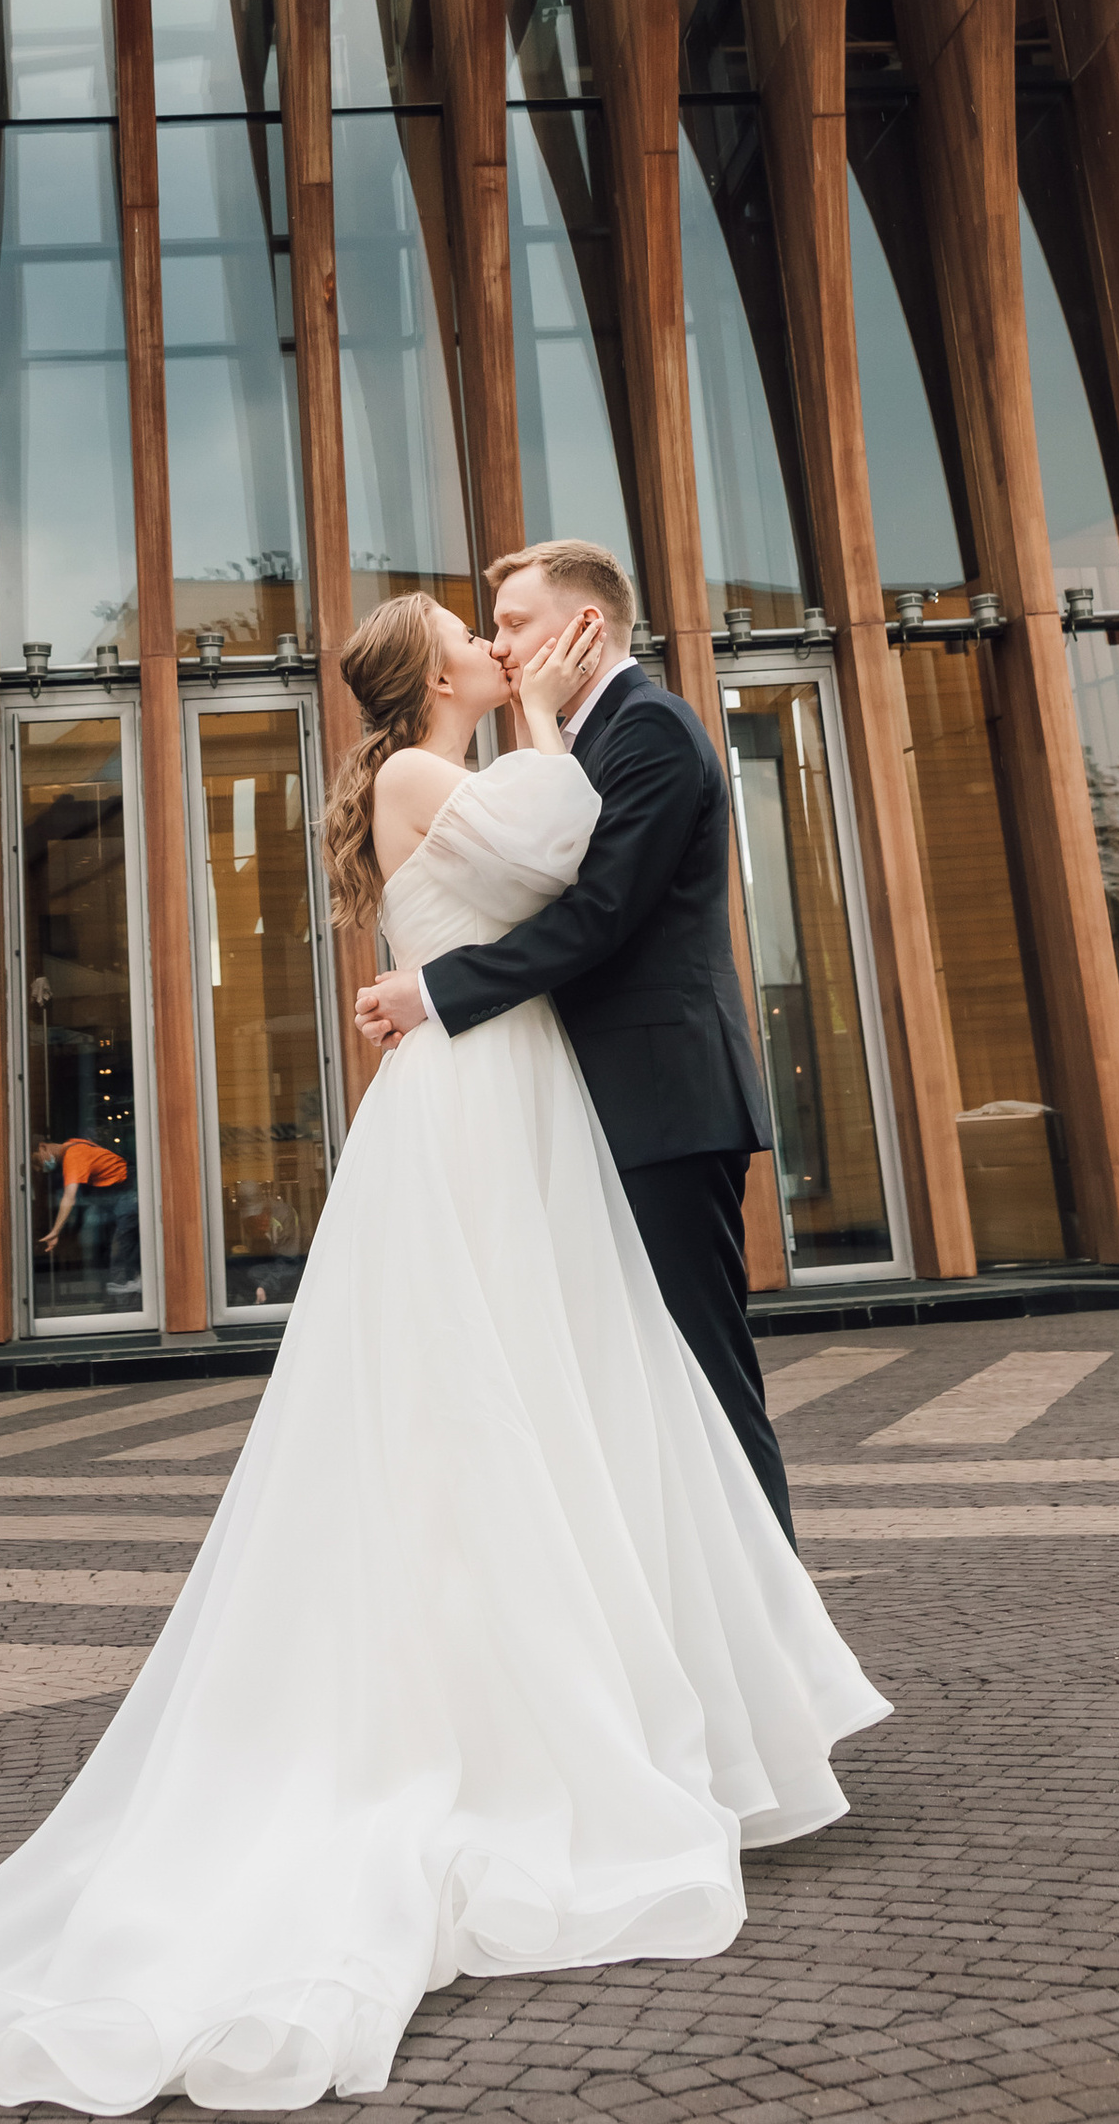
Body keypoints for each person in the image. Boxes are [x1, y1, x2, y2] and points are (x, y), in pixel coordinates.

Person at [0, 581, 885, 2112]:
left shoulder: (460, 769)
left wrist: (463, 903)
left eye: (509, 620)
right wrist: (545, 714)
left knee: (560, 1396)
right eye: (467, 629)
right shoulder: (434, 771)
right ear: (425, 674)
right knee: (500, 1394)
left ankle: (644, 1692)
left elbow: (565, 877)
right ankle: (574, 1719)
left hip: (509, 1087)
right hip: (482, 1107)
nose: (494, 639)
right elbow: (562, 857)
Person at [356, 538, 793, 1537]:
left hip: (663, 1103)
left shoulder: (648, 732)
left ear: (585, 625)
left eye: (513, 622)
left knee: (702, 1378)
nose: (501, 644)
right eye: (491, 628)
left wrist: (434, 990)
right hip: (584, 1106)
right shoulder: (560, 745)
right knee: (632, 1386)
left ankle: (774, 1628)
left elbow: (599, 917)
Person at [34, 1132, 138, 1300]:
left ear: (43, 1147)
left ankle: (124, 1291)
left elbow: (70, 1197)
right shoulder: (72, 1144)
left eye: (39, 1162)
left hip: (127, 1191)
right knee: (116, 1241)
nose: (43, 1169)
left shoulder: (73, 1156)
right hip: (119, 1193)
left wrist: (55, 1231)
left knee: (121, 1243)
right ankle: (126, 1285)